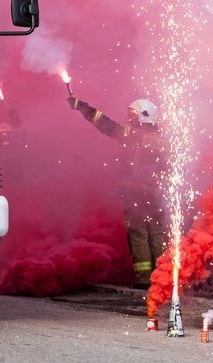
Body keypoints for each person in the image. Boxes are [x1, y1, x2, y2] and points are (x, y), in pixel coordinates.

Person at [69, 95, 166, 289]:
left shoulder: (133, 134)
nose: (129, 119)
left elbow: (105, 124)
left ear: (143, 117)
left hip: (136, 192)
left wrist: (82, 106)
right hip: (156, 193)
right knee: (156, 233)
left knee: (138, 233)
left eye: (133, 115)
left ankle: (144, 278)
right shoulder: (162, 140)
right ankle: (162, 275)